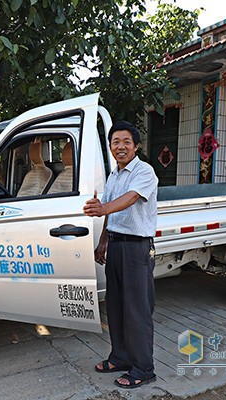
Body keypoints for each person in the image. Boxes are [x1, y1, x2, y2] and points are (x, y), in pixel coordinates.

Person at [83, 120, 158, 389]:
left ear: (136, 146)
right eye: (116, 142)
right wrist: (103, 240)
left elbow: (131, 198)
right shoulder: (113, 174)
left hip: (137, 249)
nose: (121, 146)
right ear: (111, 147)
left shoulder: (144, 172)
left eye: (127, 141)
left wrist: (102, 210)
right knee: (115, 308)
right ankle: (120, 357)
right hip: (116, 246)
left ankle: (144, 368)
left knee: (137, 311)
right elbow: (110, 209)